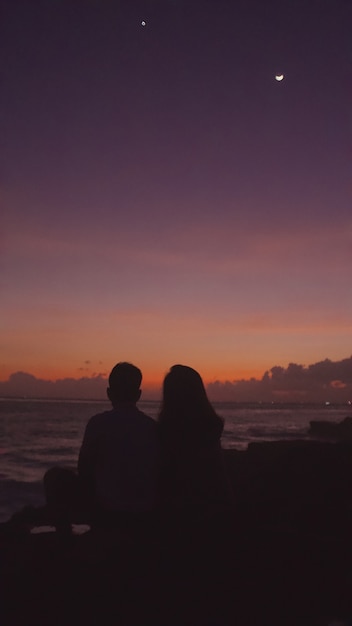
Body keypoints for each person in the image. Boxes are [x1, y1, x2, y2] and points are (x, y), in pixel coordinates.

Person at [78, 362, 159, 529]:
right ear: (138, 395)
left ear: (109, 393)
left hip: (106, 512)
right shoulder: (153, 427)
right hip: (145, 513)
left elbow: (84, 468)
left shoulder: (97, 424)